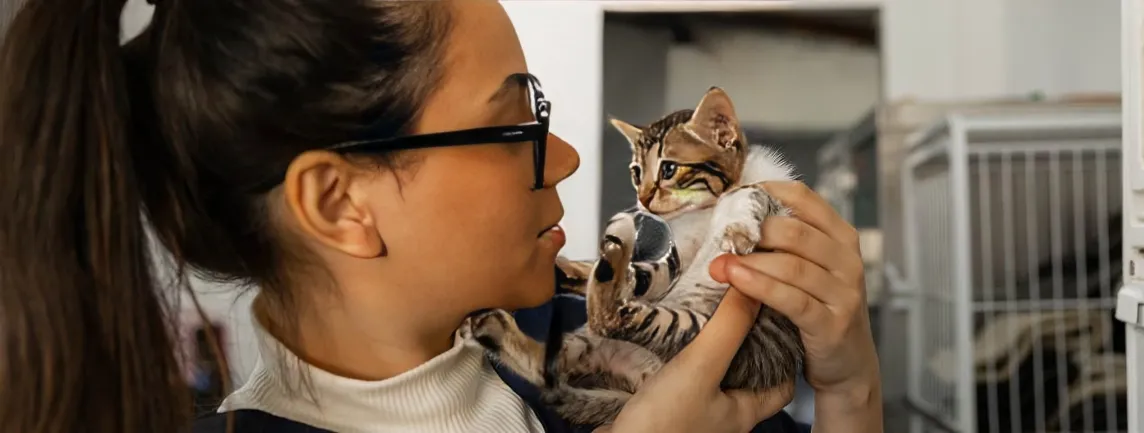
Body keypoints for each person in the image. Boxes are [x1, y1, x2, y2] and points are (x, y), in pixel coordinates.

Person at [0, 0, 883, 432]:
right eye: (516, 120)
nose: (567, 158)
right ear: (340, 203)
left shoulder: (593, 330)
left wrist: (849, 385)